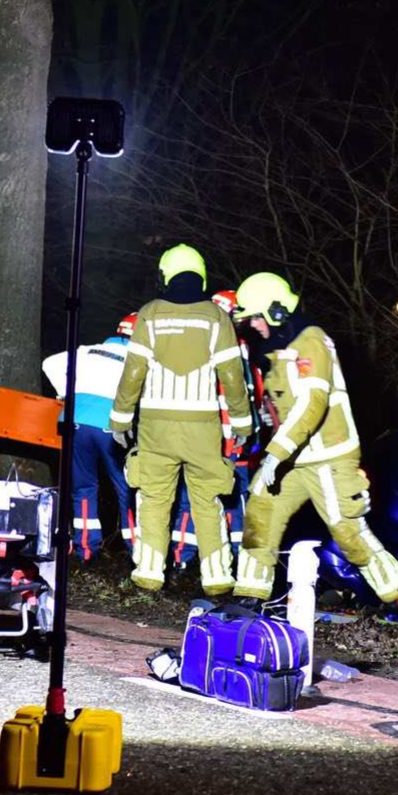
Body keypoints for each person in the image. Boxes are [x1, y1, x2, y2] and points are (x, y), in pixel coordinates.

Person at [232, 272, 398, 604]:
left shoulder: (310, 341)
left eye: (256, 316)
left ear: (276, 310)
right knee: (260, 510)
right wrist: (271, 421)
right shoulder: (278, 351)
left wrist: (275, 452)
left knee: (349, 533)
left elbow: (313, 403)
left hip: (329, 456)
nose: (253, 324)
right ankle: (249, 595)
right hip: (295, 459)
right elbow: (286, 407)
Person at [109, 244, 252, 594]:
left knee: (154, 499)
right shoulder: (217, 318)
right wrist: (242, 422)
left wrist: (121, 420)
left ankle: (149, 573)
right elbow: (233, 375)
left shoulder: (149, 314)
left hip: (156, 426)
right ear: (200, 274)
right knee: (207, 499)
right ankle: (217, 577)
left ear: (165, 275)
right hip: (203, 427)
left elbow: (133, 373)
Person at [170, 289, 256, 572]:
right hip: (230, 437)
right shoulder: (237, 346)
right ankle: (234, 557)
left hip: (195, 435)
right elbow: (244, 393)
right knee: (233, 495)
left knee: (190, 496)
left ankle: (183, 558)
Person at [42, 314, 135, 563]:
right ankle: (137, 549)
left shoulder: (88, 350)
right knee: (127, 487)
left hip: (75, 420)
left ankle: (84, 547)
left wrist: (65, 391)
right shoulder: (137, 358)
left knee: (83, 487)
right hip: (110, 424)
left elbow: (50, 363)